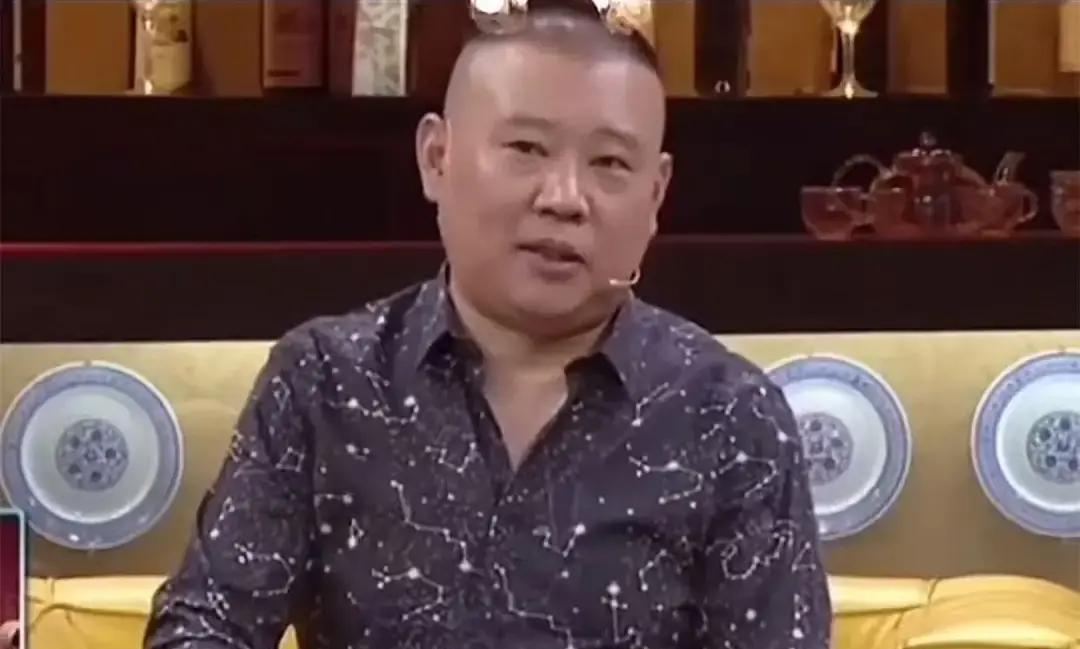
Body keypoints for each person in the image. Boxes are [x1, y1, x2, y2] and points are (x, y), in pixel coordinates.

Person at [144, 5, 832, 648]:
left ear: (655, 195)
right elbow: (203, 627)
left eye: (609, 164)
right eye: (527, 148)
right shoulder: (323, 382)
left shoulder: (730, 416)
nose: (564, 198)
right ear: (435, 158)